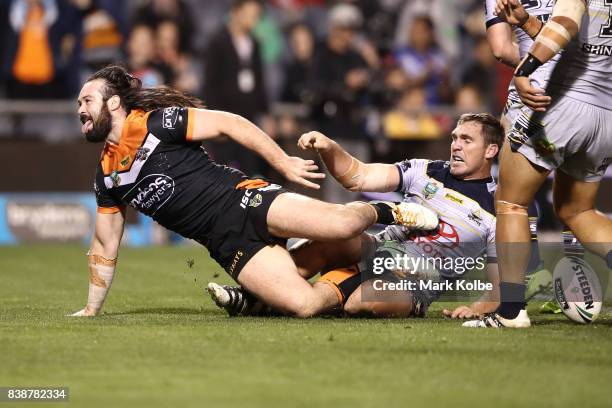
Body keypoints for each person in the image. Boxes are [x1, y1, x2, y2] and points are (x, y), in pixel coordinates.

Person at [68, 65, 437, 318]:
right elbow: (104, 246)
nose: (80, 109)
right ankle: (341, 273)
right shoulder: (107, 178)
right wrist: (91, 309)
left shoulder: (156, 123)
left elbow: (230, 123)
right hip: (226, 243)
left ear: (113, 102)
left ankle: (390, 212)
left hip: (246, 200)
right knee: (305, 305)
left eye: (87, 101)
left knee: (343, 226)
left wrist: (284, 163)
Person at [209, 113, 540, 320]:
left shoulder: (502, 210)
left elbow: (502, 283)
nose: (455, 145)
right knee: (338, 236)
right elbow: (360, 177)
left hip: (416, 283)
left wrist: (480, 307)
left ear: (491, 151)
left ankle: (271, 301)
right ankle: (260, 292)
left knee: (359, 303)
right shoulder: (425, 171)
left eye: (466, 140)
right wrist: (328, 147)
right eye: (454, 137)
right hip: (378, 249)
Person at [466, 0, 612, 328]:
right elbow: (579, 43)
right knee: (578, 211)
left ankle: (511, 311)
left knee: (511, 203)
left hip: (557, 105)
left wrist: (525, 69)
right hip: (606, 116)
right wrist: (529, 22)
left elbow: (565, 24)